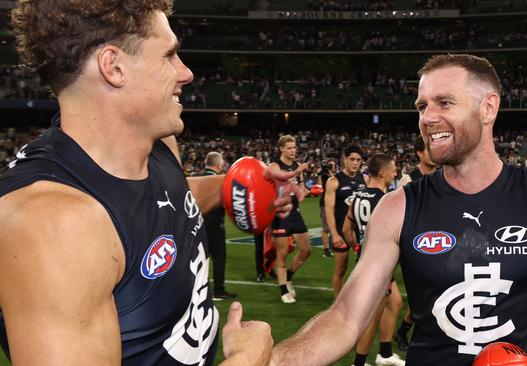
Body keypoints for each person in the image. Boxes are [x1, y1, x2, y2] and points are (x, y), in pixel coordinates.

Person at [0, 1, 296, 364]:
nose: (185, 73)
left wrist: (240, 185)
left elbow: (165, 201)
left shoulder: (154, 144)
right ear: (114, 67)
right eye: (169, 55)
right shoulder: (53, 225)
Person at [271, 54, 527, 366]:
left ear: (488, 108)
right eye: (422, 106)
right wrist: (270, 361)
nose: (428, 118)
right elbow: (345, 318)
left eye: (444, 103)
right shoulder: (397, 207)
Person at [342, 153, 404, 366]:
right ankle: (359, 363)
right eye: (393, 169)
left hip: (367, 261)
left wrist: (357, 248)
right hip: (378, 267)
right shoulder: (385, 200)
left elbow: (346, 229)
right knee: (373, 317)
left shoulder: (358, 196)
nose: (395, 173)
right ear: (382, 173)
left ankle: (385, 353)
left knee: (395, 302)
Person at [394, 136, 437, 351]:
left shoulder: (443, 176)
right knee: (425, 292)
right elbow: (399, 215)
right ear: (419, 153)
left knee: (433, 290)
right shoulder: (408, 180)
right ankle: (407, 330)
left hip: (440, 242)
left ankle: (404, 329)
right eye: (429, 149)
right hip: (416, 244)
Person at [269, 135, 312, 304]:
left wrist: (312, 190)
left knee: (306, 249)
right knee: (283, 252)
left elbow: (301, 191)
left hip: (295, 213)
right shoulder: (275, 166)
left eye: (294, 147)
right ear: (281, 149)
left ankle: (288, 276)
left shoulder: (296, 166)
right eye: (289, 148)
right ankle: (283, 290)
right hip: (280, 214)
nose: (293, 151)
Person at [325, 144, 368, 297]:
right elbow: (329, 210)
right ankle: (338, 303)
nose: (355, 163)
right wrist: (334, 234)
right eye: (352, 159)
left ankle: (359, 298)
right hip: (341, 231)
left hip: (360, 232)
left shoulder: (365, 179)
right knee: (341, 268)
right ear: (345, 160)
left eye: (358, 160)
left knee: (362, 268)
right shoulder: (334, 181)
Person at [203, 151, 237, 300]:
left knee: (201, 260)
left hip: (198, 224)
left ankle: (199, 291)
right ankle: (219, 290)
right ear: (218, 164)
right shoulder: (218, 179)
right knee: (219, 258)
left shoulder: (199, 177)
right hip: (214, 224)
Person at [318, 158, 338, 258]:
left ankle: (332, 246)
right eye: (330, 165)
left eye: (332, 165)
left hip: (335, 203)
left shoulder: (336, 175)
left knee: (334, 227)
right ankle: (326, 250)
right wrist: (324, 171)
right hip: (325, 203)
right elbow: (320, 185)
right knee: (326, 228)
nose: (331, 167)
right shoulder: (324, 175)